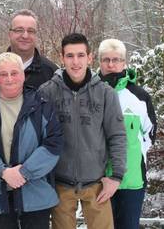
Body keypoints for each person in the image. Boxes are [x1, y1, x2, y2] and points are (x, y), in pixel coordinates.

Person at [38, 33, 127, 229]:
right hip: (60, 184)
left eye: (80, 55)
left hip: (97, 184)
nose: (75, 61)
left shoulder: (105, 93)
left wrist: (117, 177)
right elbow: (38, 138)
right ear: (62, 58)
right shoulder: (47, 92)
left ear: (90, 57)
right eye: (70, 56)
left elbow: (117, 136)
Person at [0, 52, 63, 229]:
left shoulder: (41, 104)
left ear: (23, 75)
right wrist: (2, 172)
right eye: (3, 74)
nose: (9, 78)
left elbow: (53, 144)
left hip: (36, 193)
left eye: (14, 73)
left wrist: (25, 172)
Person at [98, 38, 157, 229]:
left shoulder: (139, 97)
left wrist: (135, 152)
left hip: (132, 180)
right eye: (106, 60)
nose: (111, 64)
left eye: (116, 59)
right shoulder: (90, 93)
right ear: (99, 62)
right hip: (98, 179)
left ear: (124, 62)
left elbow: (150, 132)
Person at [0, 9, 58, 91]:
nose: (25, 36)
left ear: (36, 35)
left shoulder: (52, 74)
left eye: (30, 31)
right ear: (10, 34)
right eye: (19, 30)